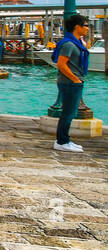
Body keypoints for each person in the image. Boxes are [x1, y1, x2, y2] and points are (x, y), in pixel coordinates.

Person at [52, 14, 91, 153]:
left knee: (71, 112)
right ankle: (62, 141)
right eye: (85, 25)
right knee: (68, 113)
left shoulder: (76, 43)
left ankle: (65, 139)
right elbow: (61, 64)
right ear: (77, 27)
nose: (87, 28)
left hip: (74, 81)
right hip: (69, 82)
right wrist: (75, 79)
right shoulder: (68, 44)